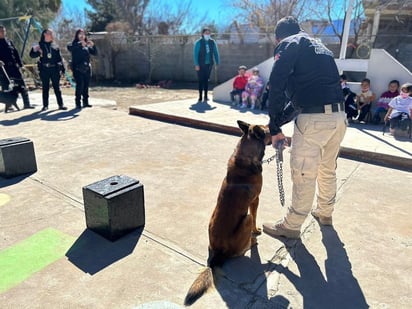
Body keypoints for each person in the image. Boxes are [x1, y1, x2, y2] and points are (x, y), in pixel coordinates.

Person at [263, 16, 346, 239]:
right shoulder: (320, 47)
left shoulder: (288, 43)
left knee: (303, 173)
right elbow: (303, 96)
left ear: (278, 37)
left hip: (314, 120)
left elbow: (277, 84)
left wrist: (273, 127)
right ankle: (325, 212)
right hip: (339, 117)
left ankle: (291, 226)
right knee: (327, 168)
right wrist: (279, 122)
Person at [29, 28, 67, 111]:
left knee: (57, 87)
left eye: (52, 33)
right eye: (50, 33)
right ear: (45, 34)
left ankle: (61, 104)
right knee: (45, 87)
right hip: (44, 69)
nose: (52, 35)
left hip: (54, 69)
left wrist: (63, 69)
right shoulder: (38, 45)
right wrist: (39, 52)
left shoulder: (55, 46)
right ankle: (45, 105)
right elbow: (31, 55)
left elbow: (59, 59)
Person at [0, 25, 33, 109]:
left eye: (4, 31)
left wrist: (20, 64)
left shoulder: (9, 41)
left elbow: (16, 53)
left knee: (21, 84)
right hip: (4, 68)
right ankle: (9, 104)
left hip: (14, 67)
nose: (3, 33)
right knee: (6, 86)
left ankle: (27, 103)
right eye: (1, 31)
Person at [67, 29, 97, 109]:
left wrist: (93, 45)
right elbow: (70, 48)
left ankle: (85, 102)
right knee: (80, 85)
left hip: (86, 68)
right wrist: (80, 44)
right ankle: (78, 102)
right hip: (77, 69)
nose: (82, 35)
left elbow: (94, 53)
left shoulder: (86, 46)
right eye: (80, 34)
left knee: (86, 85)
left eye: (83, 34)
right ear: (77, 35)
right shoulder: (73, 44)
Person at [193, 27, 220, 102]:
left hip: (209, 64)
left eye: (209, 33)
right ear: (202, 34)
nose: (207, 34)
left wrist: (217, 62)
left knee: (206, 80)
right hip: (200, 64)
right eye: (206, 33)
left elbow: (215, 52)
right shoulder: (199, 42)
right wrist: (196, 64)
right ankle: (200, 96)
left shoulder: (212, 42)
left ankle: (205, 96)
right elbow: (195, 54)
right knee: (201, 80)